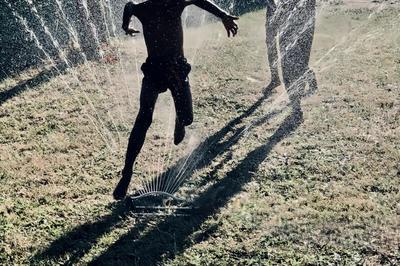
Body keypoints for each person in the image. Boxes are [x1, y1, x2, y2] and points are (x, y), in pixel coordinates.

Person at [113, 0, 239, 200]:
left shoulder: (174, 3)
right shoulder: (144, 8)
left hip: (176, 68)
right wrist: (125, 25)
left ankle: (180, 121)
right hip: (154, 69)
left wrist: (223, 15)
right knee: (143, 119)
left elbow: (199, 0)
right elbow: (129, 6)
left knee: (187, 117)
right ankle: (126, 173)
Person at [265, 0, 317, 115]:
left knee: (298, 60)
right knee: (288, 61)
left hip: (304, 12)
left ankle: (306, 74)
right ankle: (296, 106)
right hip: (284, 11)